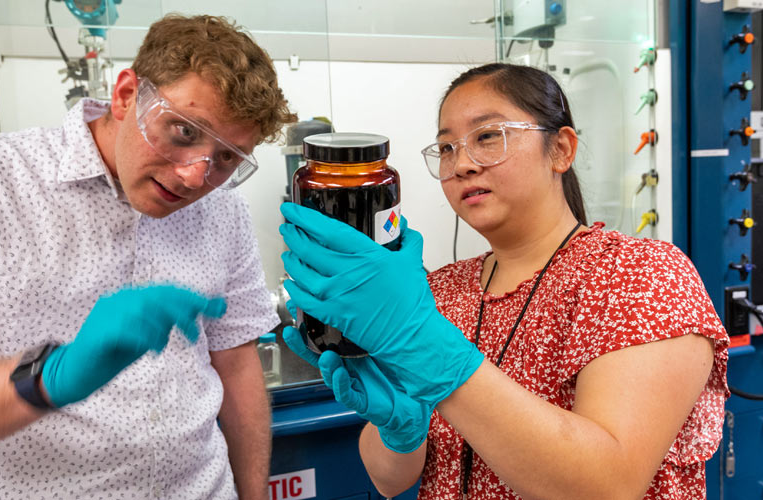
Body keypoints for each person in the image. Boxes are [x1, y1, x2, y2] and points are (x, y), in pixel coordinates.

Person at [279, 62, 728, 499]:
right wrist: (400, 430)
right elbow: (389, 480)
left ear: (561, 149)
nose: (462, 164)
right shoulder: (439, 292)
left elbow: (606, 485)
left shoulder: (638, 275)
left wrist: (427, 349)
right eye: (447, 148)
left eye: (488, 137)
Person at [0, 14, 296, 499]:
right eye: (183, 132)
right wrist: (48, 377)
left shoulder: (223, 208)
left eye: (226, 157)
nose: (194, 176)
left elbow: (237, 362)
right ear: (125, 95)